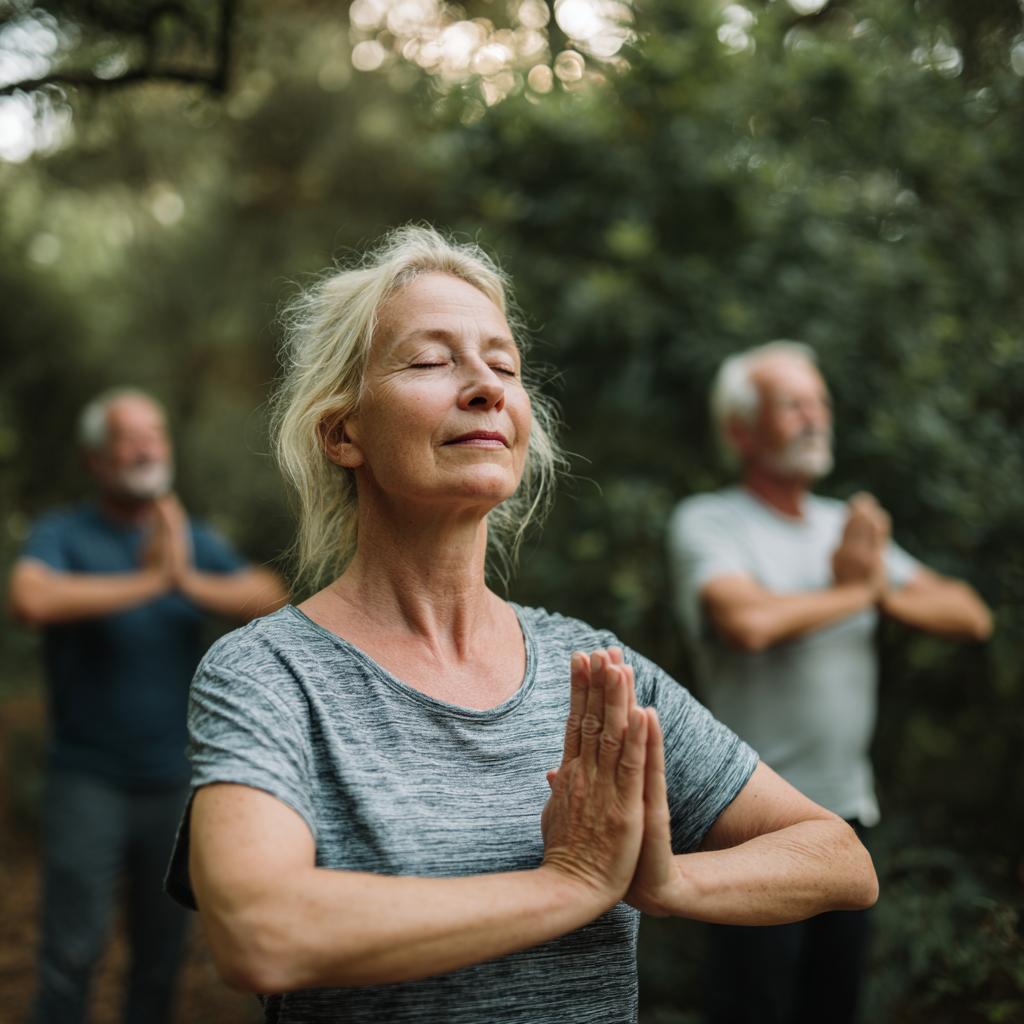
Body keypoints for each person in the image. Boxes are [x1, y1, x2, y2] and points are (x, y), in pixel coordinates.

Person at [162, 228, 877, 1024]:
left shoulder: (596, 671)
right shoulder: (270, 672)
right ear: (343, 433)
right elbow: (260, 934)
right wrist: (567, 882)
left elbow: (841, 858)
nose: (485, 388)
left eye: (503, 365)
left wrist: (668, 881)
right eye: (432, 361)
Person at [667, 341, 992, 1024]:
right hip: (745, 823)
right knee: (752, 1009)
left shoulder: (844, 528)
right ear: (740, 431)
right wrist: (860, 589)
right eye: (792, 405)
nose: (815, 418)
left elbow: (969, 614)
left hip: (848, 819)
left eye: (819, 403)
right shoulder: (710, 520)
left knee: (833, 1009)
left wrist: (873, 589)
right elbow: (746, 622)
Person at [7, 388, 287, 1024]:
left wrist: (184, 577)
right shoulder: (62, 534)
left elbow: (271, 597)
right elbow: (30, 600)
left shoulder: (188, 539)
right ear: (95, 459)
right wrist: (153, 581)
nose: (145, 449)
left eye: (154, 435)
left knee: (160, 963)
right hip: (86, 782)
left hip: (176, 785)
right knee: (70, 955)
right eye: (128, 438)